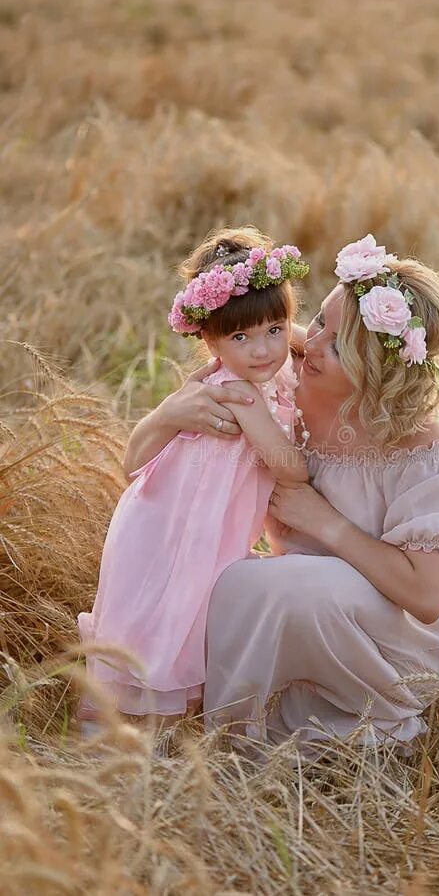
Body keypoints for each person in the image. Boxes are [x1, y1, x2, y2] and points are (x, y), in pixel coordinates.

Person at [122, 233, 439, 755]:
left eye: (337, 345)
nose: (308, 342)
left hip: (397, 627)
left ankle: (232, 748)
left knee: (265, 586)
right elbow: (136, 461)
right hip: (305, 598)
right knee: (221, 580)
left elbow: (428, 599)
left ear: (375, 369)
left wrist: (324, 522)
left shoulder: (421, 448)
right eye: (319, 318)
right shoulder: (284, 369)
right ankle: (206, 722)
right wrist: (168, 412)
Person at [77, 227, 310, 729]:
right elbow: (289, 467)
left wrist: (287, 332)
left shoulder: (264, 363)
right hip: (172, 527)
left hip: (200, 526)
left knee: (184, 620)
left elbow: (288, 335)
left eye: (275, 329)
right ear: (208, 339)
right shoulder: (238, 393)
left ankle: (160, 733)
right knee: (163, 624)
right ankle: (133, 740)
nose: (264, 350)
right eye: (240, 338)